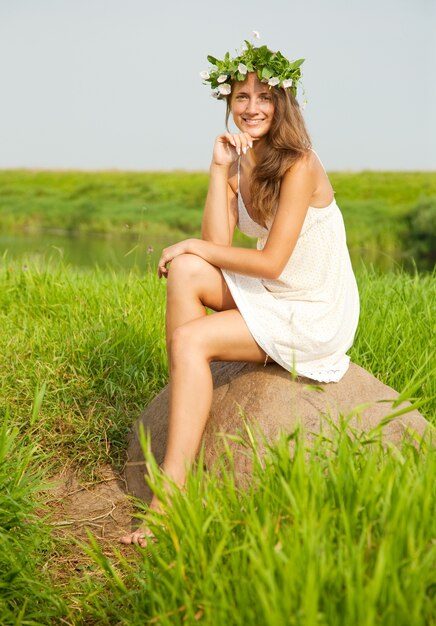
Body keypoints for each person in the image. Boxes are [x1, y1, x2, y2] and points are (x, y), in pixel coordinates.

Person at [121, 37, 359, 546]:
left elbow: (271, 263)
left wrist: (189, 243)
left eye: (263, 97)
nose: (250, 109)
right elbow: (214, 247)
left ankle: (171, 498)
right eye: (240, 98)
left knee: (191, 335)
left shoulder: (300, 164)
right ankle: (184, 395)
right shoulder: (240, 160)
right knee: (186, 269)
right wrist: (217, 170)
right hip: (273, 291)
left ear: (283, 102)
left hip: (308, 306)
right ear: (228, 103)